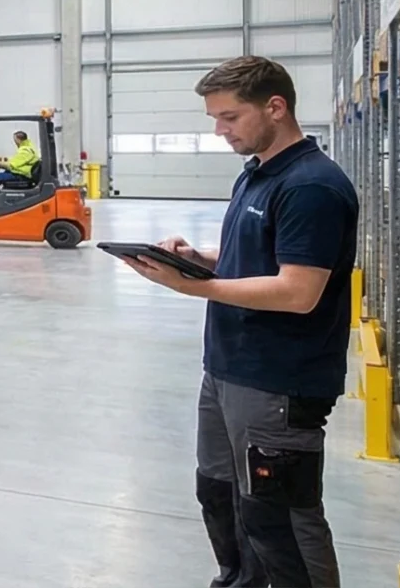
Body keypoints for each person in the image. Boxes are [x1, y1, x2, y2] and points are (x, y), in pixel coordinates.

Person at [117, 55, 356, 588]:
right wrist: (197, 259)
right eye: (215, 120)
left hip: (278, 380)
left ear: (276, 107)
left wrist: (192, 287)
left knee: (280, 515)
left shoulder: (311, 186)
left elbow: (298, 292)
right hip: (227, 368)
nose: (220, 131)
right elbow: (254, 256)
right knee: (220, 494)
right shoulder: (257, 175)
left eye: (229, 117)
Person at [0, 129, 40, 201]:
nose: (15, 142)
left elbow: (9, 165)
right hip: (21, 174)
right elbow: (8, 159)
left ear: (18, 140)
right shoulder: (28, 148)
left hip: (21, 176)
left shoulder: (25, 151)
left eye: (15, 140)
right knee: (3, 174)